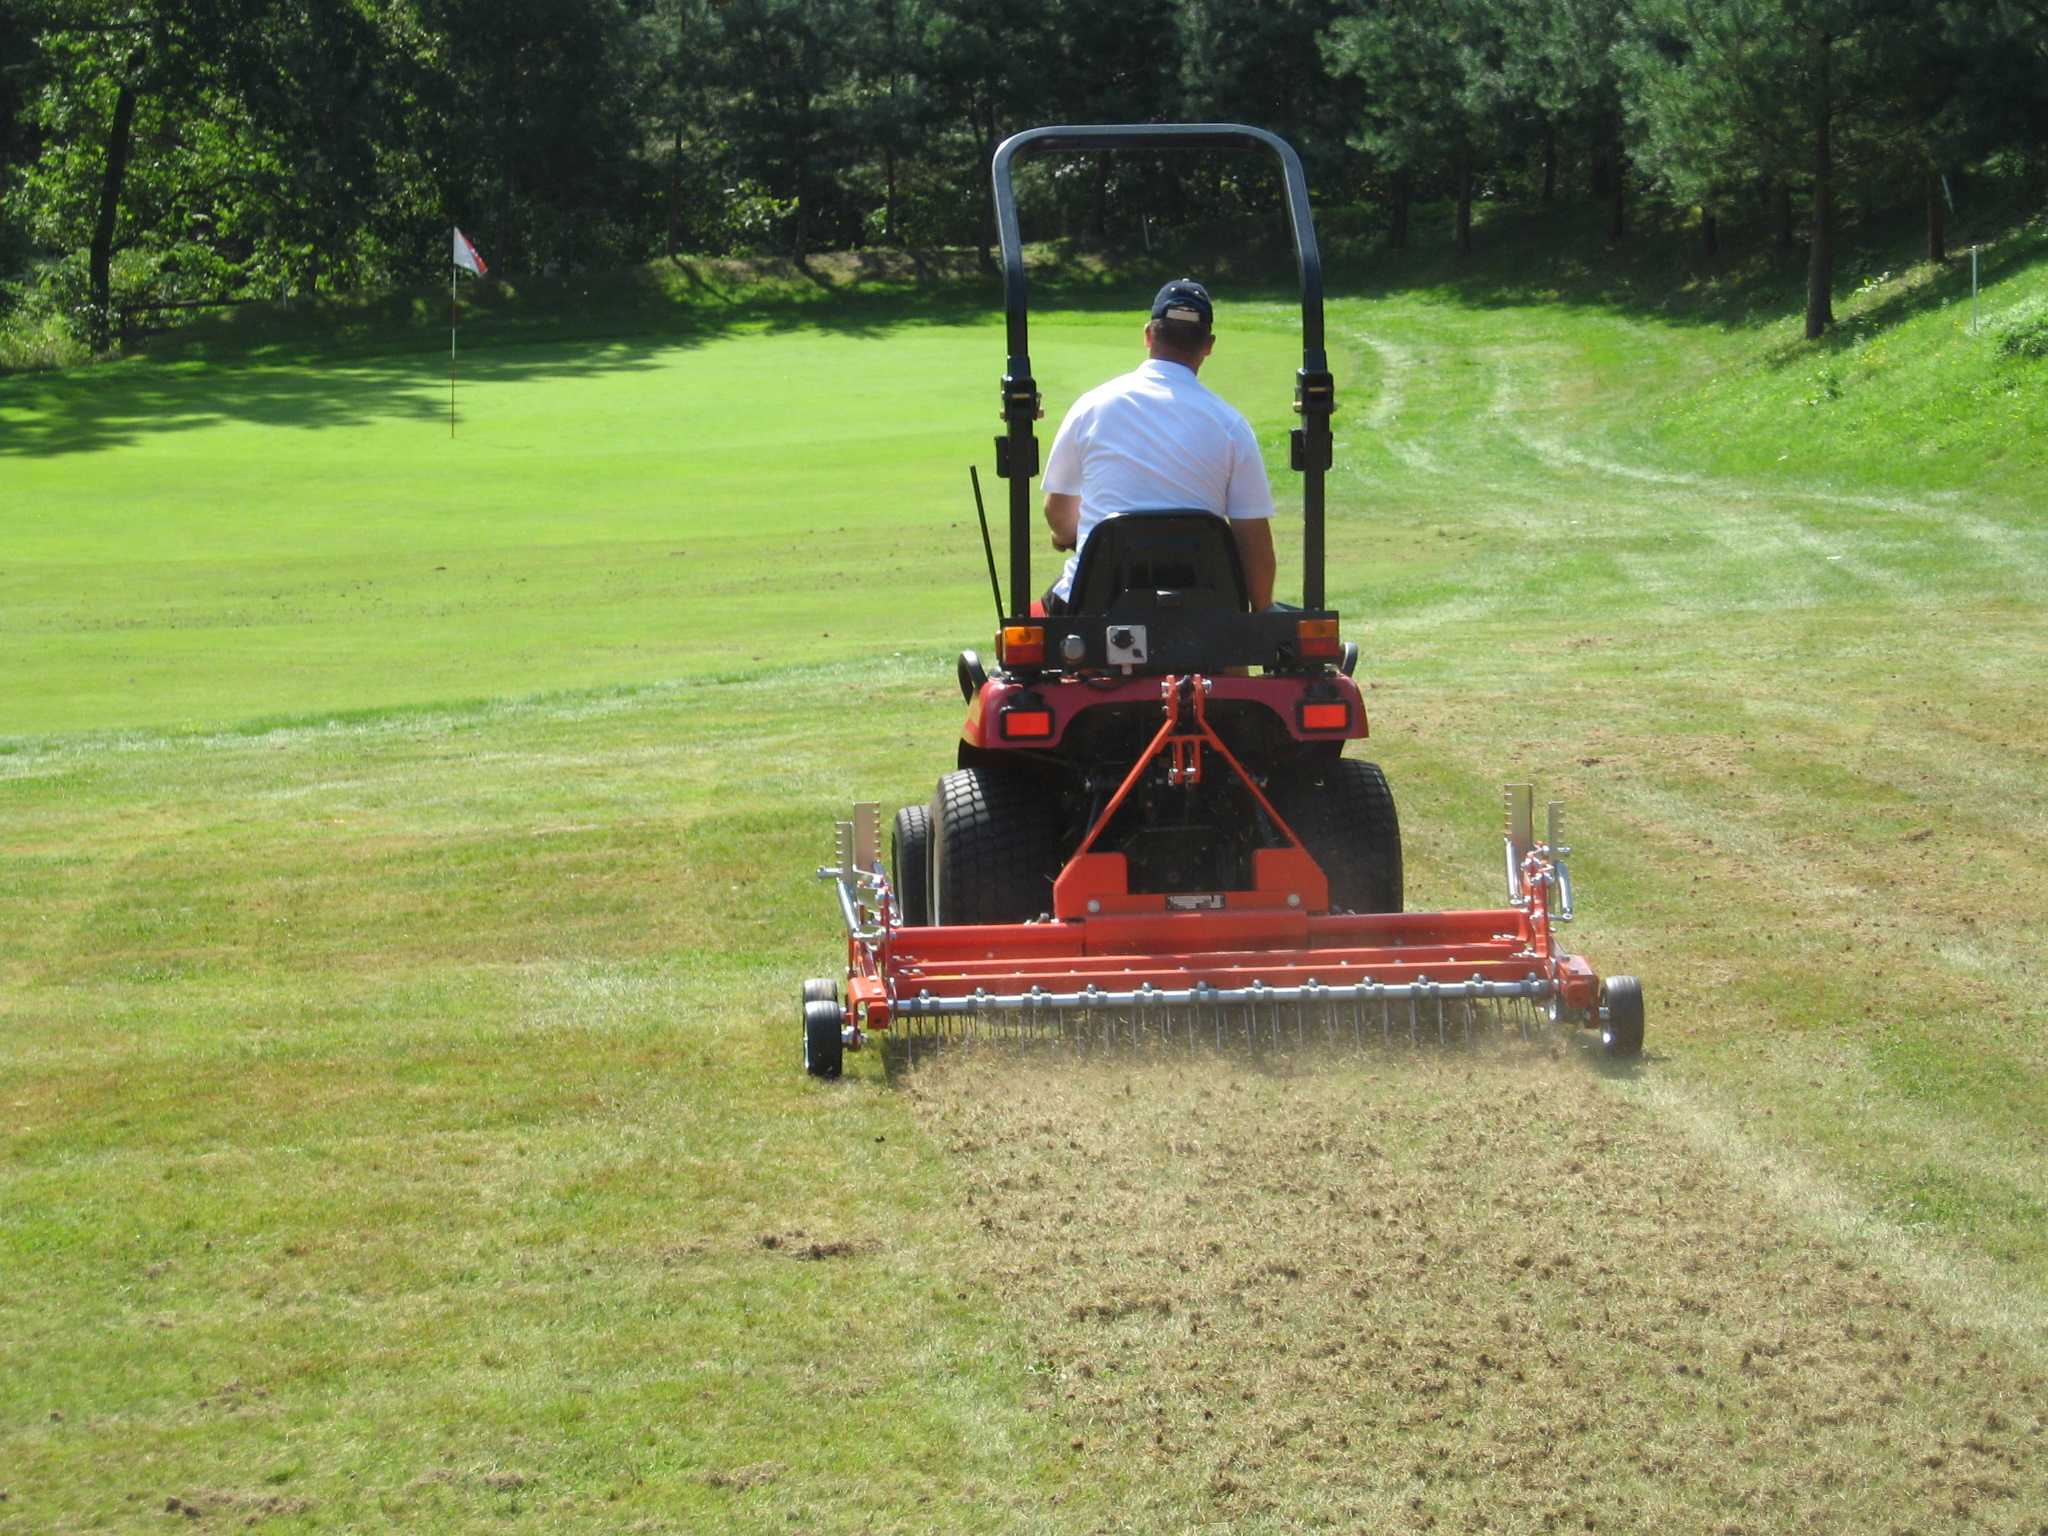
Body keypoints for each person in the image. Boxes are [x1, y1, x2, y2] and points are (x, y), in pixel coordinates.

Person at [1040, 279, 1278, 613]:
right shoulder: (1231, 425)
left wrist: (1066, 537)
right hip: (1203, 609)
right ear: (1208, 345)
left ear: (1148, 335)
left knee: (1029, 627)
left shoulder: (1092, 406)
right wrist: (1263, 611)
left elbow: (1060, 515)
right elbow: (1253, 542)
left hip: (1096, 606)